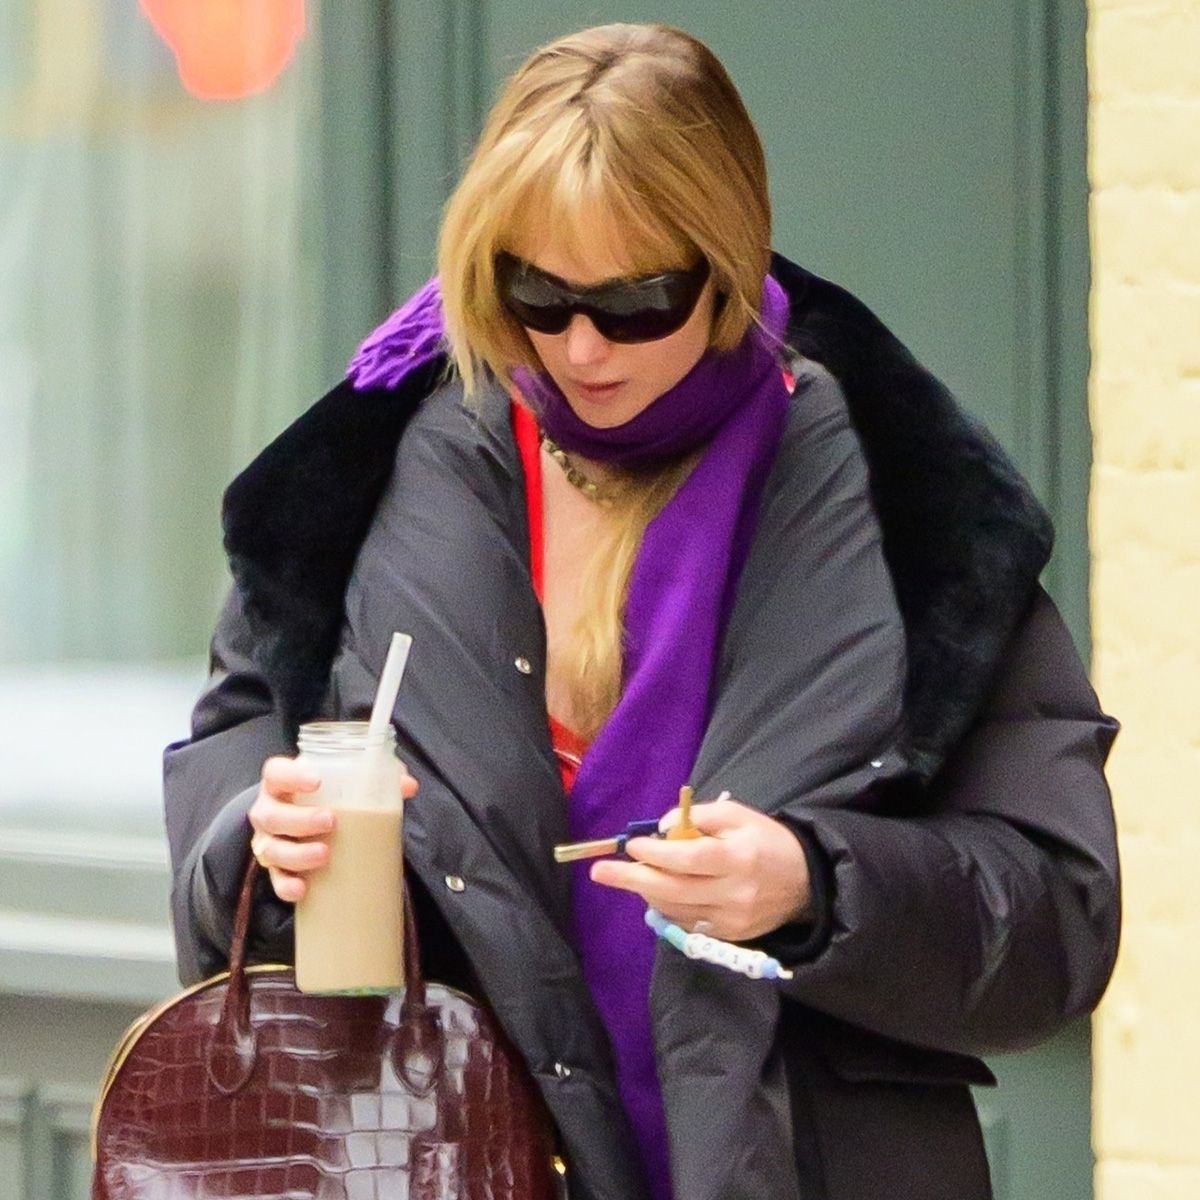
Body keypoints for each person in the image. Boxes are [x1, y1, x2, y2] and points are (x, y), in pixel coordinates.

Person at [164, 22, 1120, 1200]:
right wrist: (255, 852)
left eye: (636, 303)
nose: (578, 348)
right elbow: (227, 813)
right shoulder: (359, 488)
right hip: (452, 1162)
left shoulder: (905, 504)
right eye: (536, 294)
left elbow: (1057, 922)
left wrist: (818, 886)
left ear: (722, 265)